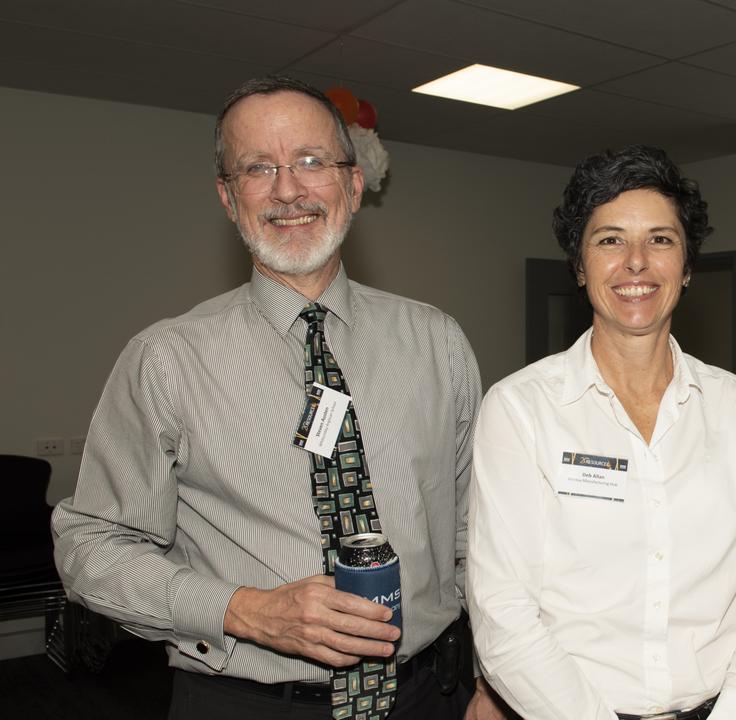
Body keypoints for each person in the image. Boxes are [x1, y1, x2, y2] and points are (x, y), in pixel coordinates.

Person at [51, 76, 498, 720]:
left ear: (352, 185)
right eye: (257, 168)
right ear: (229, 199)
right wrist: (245, 611)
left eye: (312, 162)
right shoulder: (164, 359)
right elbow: (89, 547)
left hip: (430, 696)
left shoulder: (438, 341)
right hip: (247, 701)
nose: (288, 190)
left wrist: (492, 678)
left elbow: (474, 538)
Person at [466, 145, 736, 720]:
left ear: (688, 265)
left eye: (661, 239)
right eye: (609, 240)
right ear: (579, 266)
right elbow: (504, 612)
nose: (636, 262)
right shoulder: (520, 409)